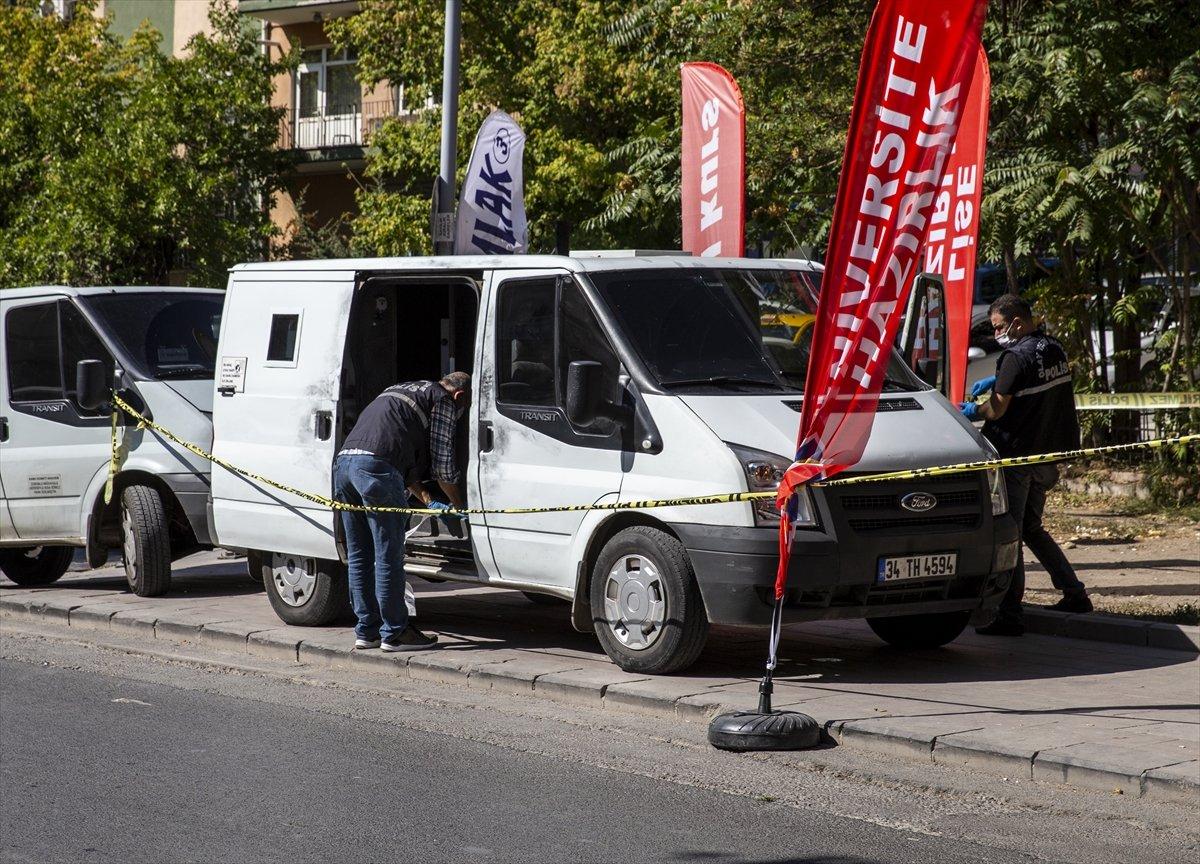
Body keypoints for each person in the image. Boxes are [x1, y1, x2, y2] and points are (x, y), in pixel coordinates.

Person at [961, 295, 1092, 636]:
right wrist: (999, 380)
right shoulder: (1053, 348)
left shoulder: (1014, 357)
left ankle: (1010, 614)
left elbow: (996, 410)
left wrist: (973, 410)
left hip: (1017, 457)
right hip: (1048, 457)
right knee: (1031, 528)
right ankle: (1074, 593)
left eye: (999, 327)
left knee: (1012, 533)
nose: (997, 334)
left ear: (1017, 323)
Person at [333, 372, 471, 652]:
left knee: (360, 555)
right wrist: (458, 505)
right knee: (388, 555)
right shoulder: (444, 400)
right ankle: (396, 633)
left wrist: (429, 498)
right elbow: (443, 465)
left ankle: (366, 631)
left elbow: (395, 456)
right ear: (460, 396)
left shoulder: (401, 389)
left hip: (344, 467)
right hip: (376, 470)